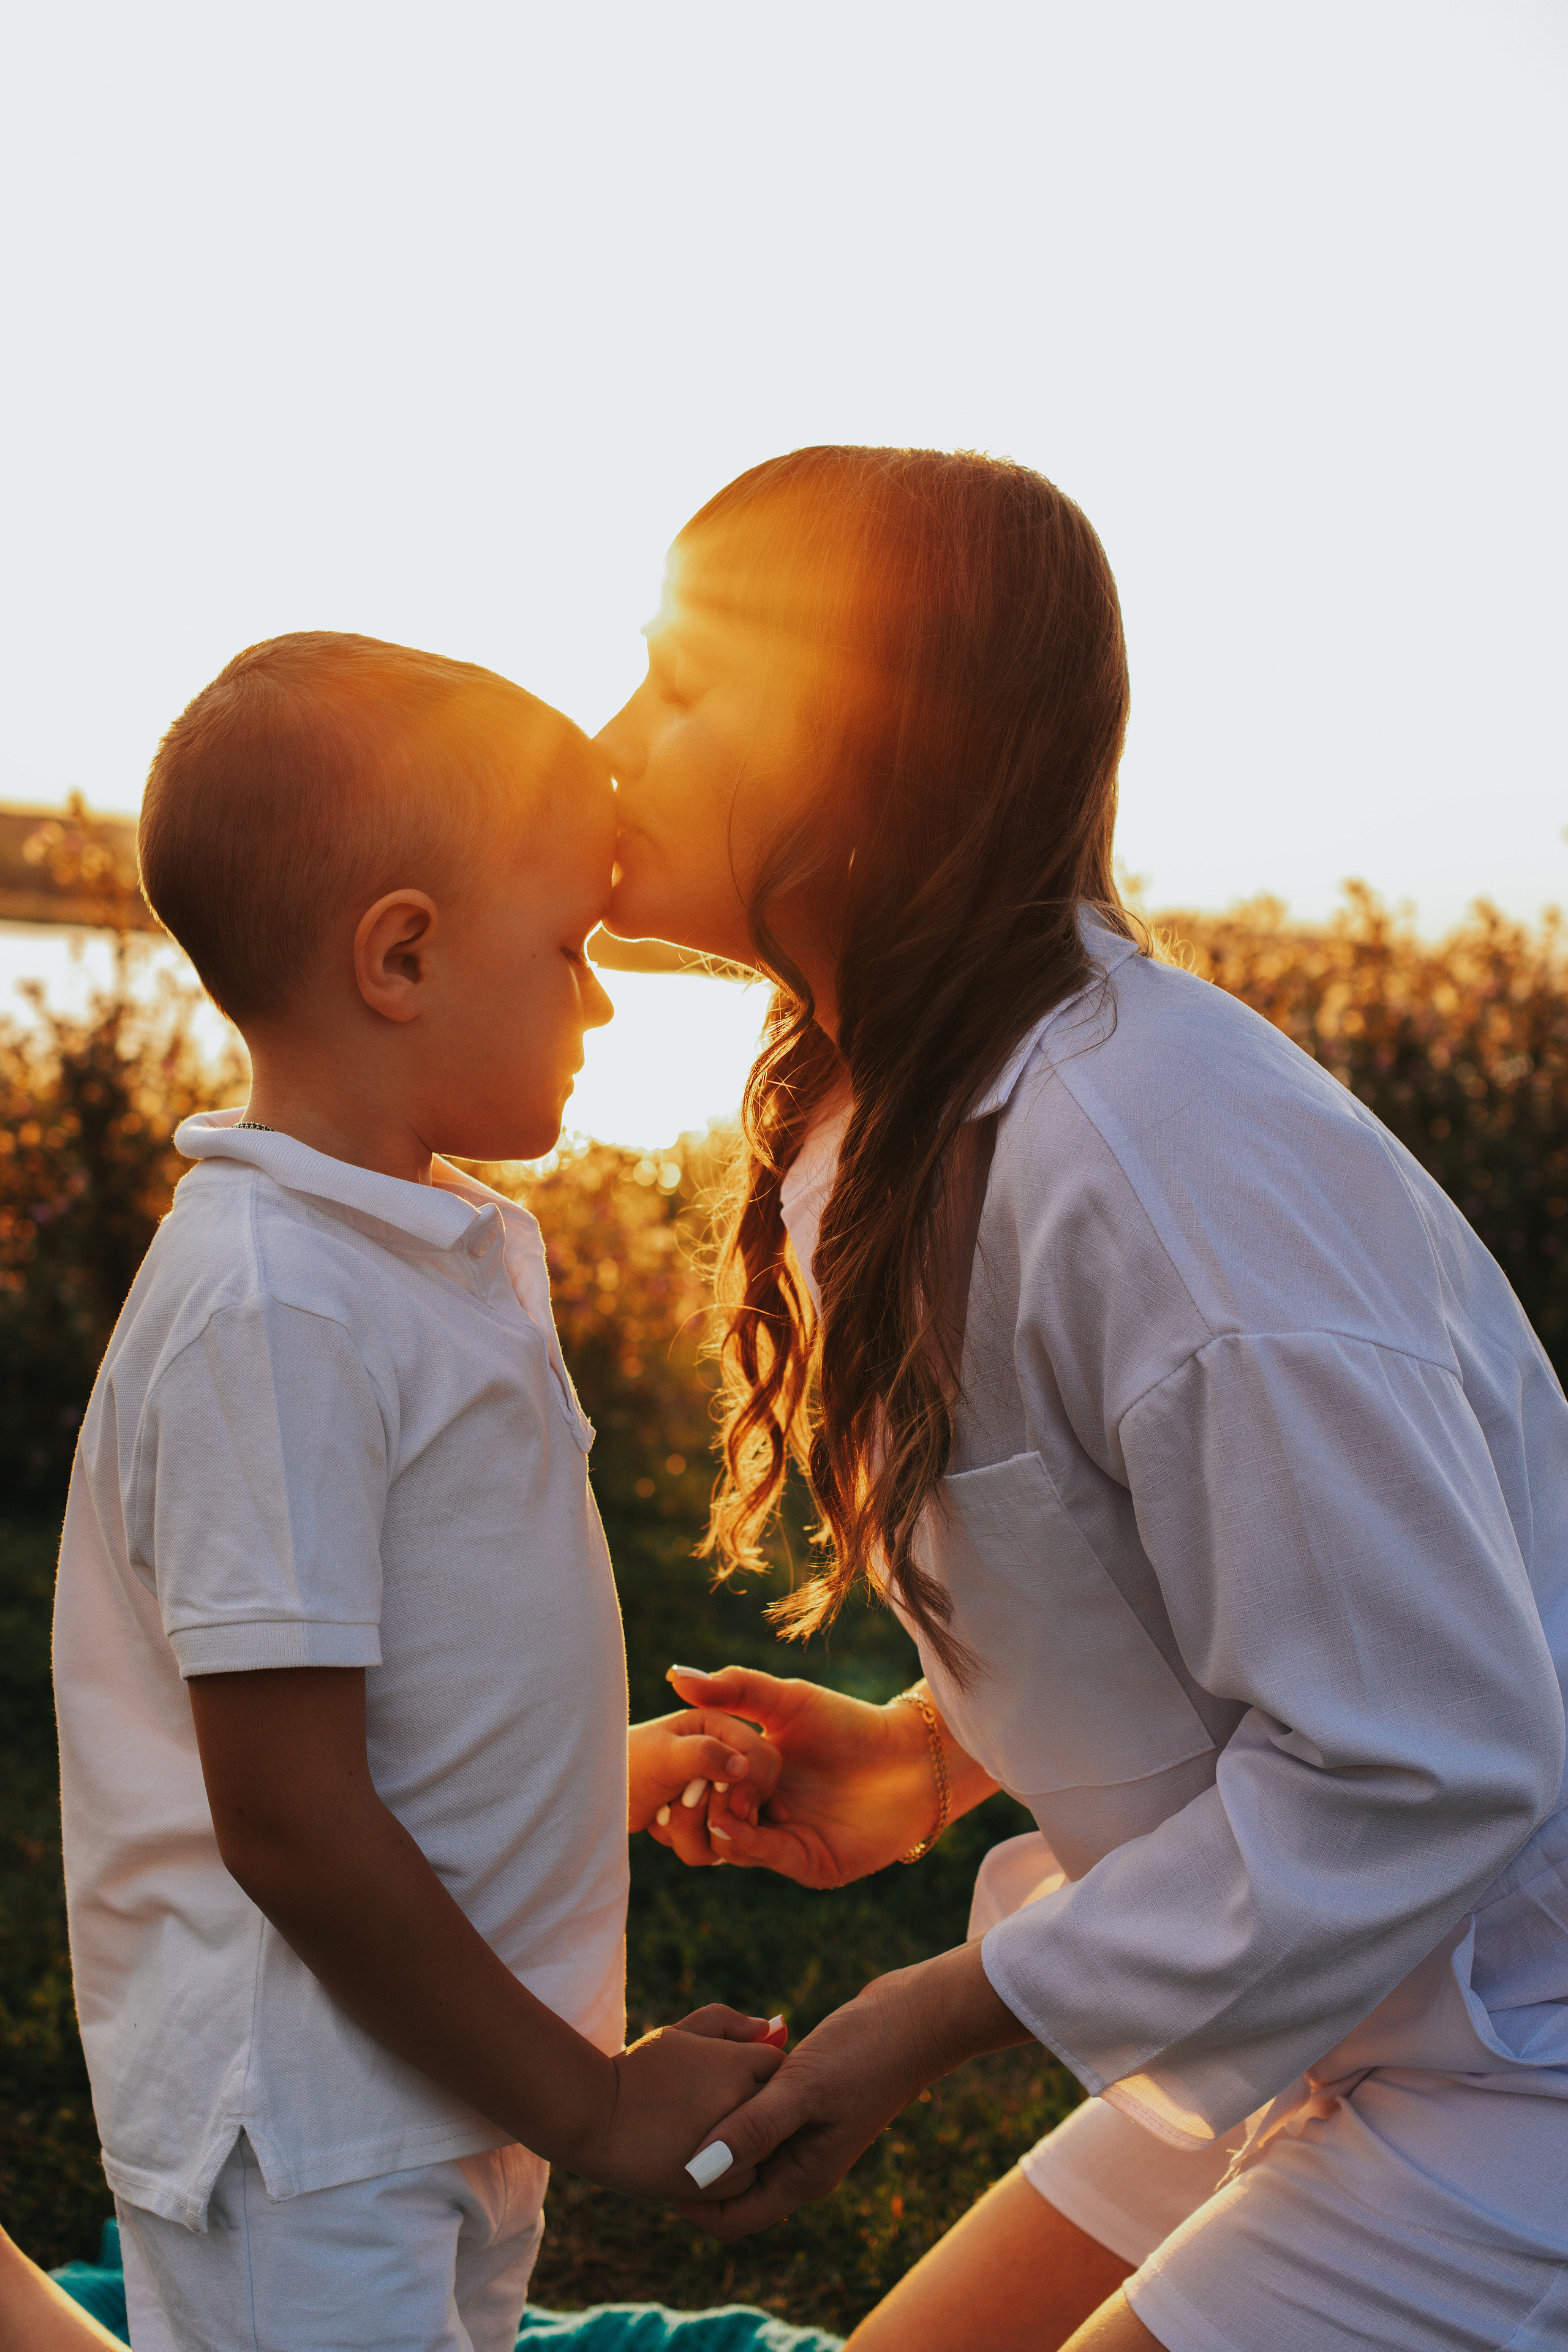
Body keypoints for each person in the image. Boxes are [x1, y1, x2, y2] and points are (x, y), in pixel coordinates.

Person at [595, 448, 1568, 2351]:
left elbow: (1434, 1751)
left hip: (1511, 2045)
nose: (612, 737)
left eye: (684, 684)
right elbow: (1189, 1586)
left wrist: (956, 2006)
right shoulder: (876, 1119)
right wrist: (931, 1753)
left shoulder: (1165, 1167)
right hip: (1304, 1997)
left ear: (884, 747)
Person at [52, 633, 788, 2352]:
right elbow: (295, 1819)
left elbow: (386, 1718)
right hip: (310, 2138)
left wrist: (600, 1778)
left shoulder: (424, 1258)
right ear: (400, 955)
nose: (601, 999)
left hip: (437, 2093)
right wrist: (599, 2108)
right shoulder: (275, 1305)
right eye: (567, 948)